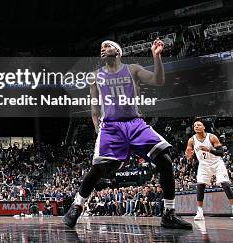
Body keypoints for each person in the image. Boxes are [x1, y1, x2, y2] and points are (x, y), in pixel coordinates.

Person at [63, 39, 192, 229]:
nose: (103, 49)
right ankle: (77, 206)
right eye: (101, 48)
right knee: (99, 167)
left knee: (165, 160)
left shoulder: (133, 69)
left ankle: (169, 214)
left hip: (135, 123)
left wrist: (156, 57)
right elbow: (94, 104)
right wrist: (96, 125)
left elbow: (158, 80)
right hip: (111, 126)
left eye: (107, 46)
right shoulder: (95, 76)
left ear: (118, 51)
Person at [185, 118, 232, 220]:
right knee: (200, 185)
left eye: (199, 125)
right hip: (203, 165)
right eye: (195, 126)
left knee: (225, 184)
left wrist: (209, 149)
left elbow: (221, 153)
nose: (196, 126)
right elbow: (188, 154)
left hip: (216, 163)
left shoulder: (212, 137)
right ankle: (200, 212)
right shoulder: (191, 140)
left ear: (204, 127)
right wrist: (189, 156)